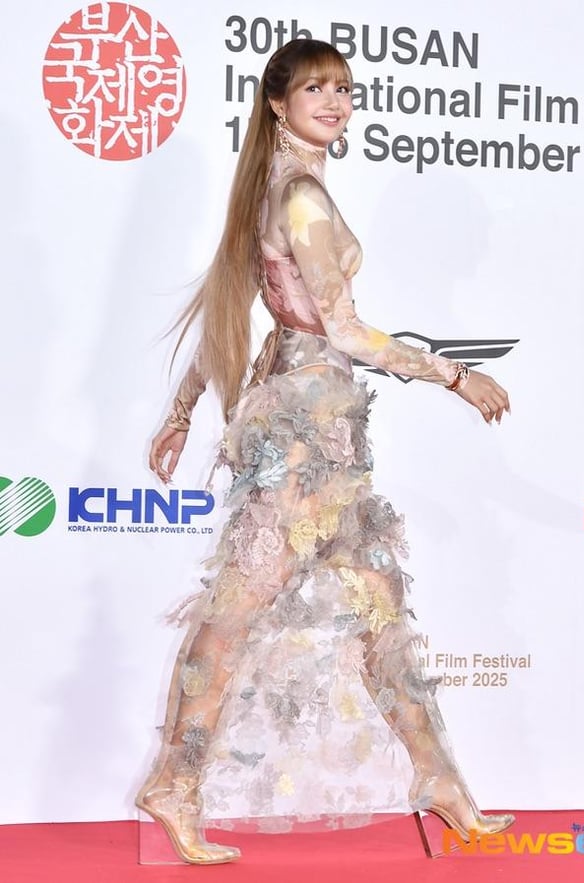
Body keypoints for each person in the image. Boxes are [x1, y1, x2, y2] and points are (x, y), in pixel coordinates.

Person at [135, 38, 513, 865]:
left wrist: (182, 411)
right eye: (316, 88)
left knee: (379, 604)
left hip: (321, 423)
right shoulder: (299, 194)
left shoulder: (275, 187)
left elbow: (232, 311)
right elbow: (341, 329)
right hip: (305, 426)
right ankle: (174, 781)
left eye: (344, 87)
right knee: (238, 608)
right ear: (278, 103)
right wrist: (454, 374)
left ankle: (441, 779)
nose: (337, 102)